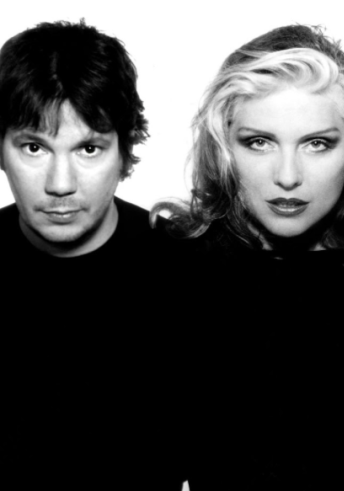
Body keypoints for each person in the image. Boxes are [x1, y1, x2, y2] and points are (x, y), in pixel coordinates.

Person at [153, 24, 344, 490]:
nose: (288, 176)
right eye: (259, 141)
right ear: (224, 145)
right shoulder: (175, 261)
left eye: (317, 143)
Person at [0, 20, 185, 490]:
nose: (60, 184)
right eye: (34, 147)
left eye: (88, 148)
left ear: (124, 152)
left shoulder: (190, 272)